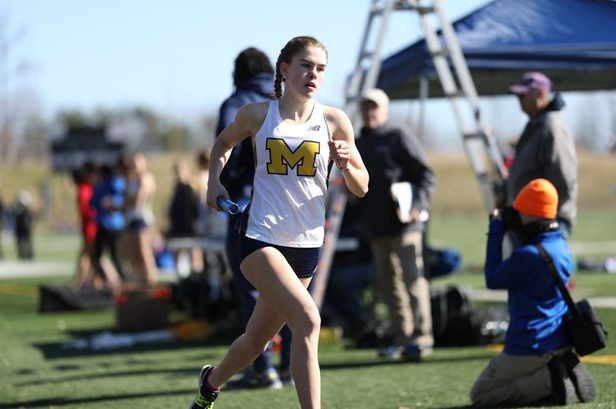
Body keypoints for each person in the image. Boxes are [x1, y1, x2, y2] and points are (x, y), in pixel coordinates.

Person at [188, 35, 369, 409]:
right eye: (306, 66)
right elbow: (222, 144)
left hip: (306, 247)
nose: (313, 75)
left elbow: (362, 187)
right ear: (285, 70)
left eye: (320, 69)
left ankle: (210, 382)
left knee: (255, 342)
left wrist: (349, 161)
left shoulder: (336, 120)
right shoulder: (258, 114)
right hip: (259, 239)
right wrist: (213, 181)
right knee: (308, 320)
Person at [470, 178, 595, 407]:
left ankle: (551, 379)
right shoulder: (560, 246)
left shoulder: (528, 256)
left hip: (529, 344)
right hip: (560, 339)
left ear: (532, 216)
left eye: (521, 212)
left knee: (482, 393)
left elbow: (493, 278)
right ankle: (558, 369)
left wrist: (497, 229)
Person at [215, 46, 292, 390]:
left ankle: (264, 368)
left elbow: (225, 149)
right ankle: (292, 364)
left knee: (250, 289)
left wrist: (222, 184)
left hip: (250, 208)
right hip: (293, 211)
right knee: (292, 290)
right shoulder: (289, 100)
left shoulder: (239, 104)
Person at [355, 88, 436, 362]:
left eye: (374, 107)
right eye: (365, 107)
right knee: (388, 284)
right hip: (376, 226)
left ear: (385, 110)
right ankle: (403, 338)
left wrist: (417, 206)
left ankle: (422, 338)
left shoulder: (398, 135)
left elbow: (426, 175)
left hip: (405, 224)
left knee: (412, 279)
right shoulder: (358, 142)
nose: (369, 112)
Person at [505, 71, 578, 238]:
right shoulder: (535, 126)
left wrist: (541, 215)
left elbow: (564, 179)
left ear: (540, 94)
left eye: (522, 96)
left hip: (544, 223)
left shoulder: (552, 128)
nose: (519, 102)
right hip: (530, 221)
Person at [90, 158, 128, 285]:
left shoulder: (111, 184)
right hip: (112, 225)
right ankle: (116, 280)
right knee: (111, 256)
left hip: (110, 226)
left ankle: (122, 279)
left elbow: (92, 203)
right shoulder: (116, 183)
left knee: (103, 256)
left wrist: (112, 202)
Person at [124, 152, 158, 286]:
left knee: (145, 253)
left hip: (142, 220)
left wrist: (129, 201)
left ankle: (151, 281)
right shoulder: (132, 181)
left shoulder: (146, 178)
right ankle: (139, 280)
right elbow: (126, 201)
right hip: (132, 219)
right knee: (135, 255)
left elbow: (137, 200)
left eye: (136, 163)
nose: (134, 166)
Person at [167, 158, 202, 274]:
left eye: (180, 170)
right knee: (177, 250)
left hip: (191, 225)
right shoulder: (177, 188)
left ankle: (198, 275)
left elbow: (196, 206)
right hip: (178, 225)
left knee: (194, 252)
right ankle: (179, 276)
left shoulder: (193, 185)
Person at [72, 162, 102, 288]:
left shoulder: (84, 190)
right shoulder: (87, 189)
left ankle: (78, 284)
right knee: (95, 257)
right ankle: (96, 282)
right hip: (90, 227)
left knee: (86, 256)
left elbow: (88, 211)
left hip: (91, 228)